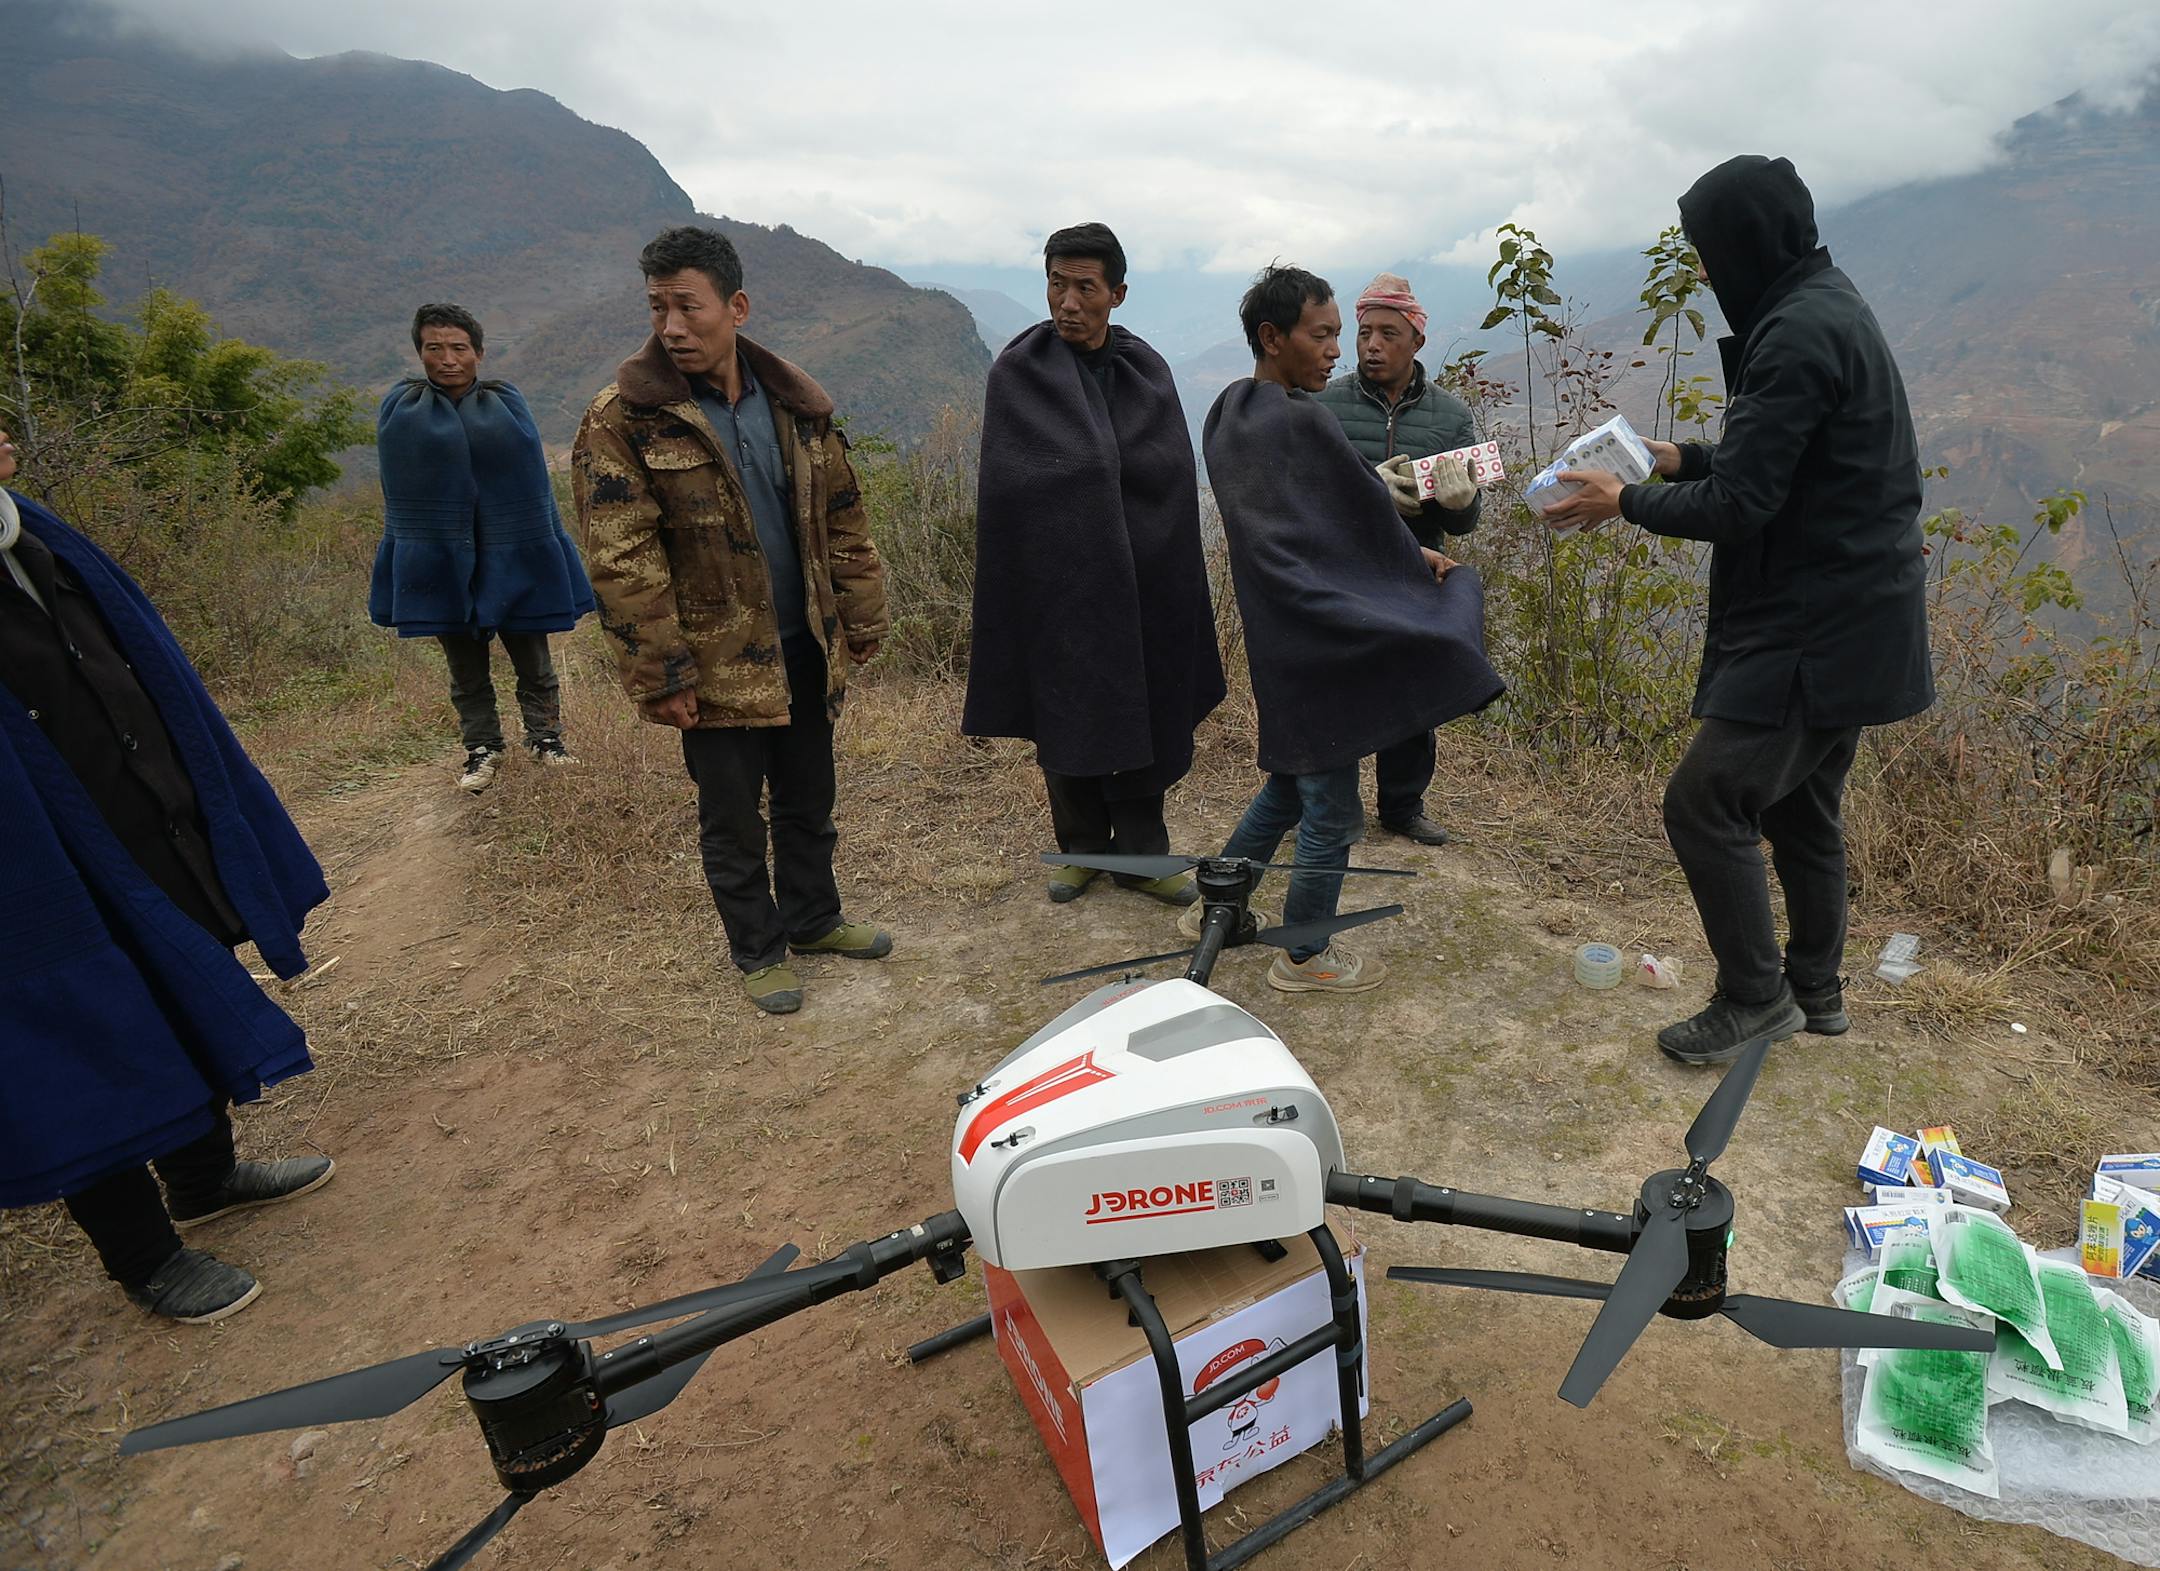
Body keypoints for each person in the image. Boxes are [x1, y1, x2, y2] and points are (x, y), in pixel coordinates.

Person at [1545, 155, 1932, 1065]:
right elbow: (1771, 457)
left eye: (1710, 251)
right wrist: (1672, 455)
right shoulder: (1821, 305)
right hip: (1855, 614)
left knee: (1704, 800)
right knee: (1801, 810)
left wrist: (1623, 500)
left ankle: (1755, 997)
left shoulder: (1797, 331)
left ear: (1747, 240)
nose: (1708, 272)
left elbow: (1743, 505)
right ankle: (1816, 991)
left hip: (1816, 625)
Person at [0, 426, 335, 1323]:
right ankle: (143, 1256)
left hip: (135, 815)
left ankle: (202, 1175)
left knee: (179, 972)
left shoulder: (33, 534)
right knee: (86, 1030)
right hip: (35, 864)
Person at [572, 227, 893, 1016]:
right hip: (713, 663)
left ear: (736, 307)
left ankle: (815, 919)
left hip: (804, 643)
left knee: (808, 799)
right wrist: (662, 671)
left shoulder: (796, 404)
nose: (672, 326)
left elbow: (842, 517)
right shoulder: (626, 419)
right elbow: (621, 559)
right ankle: (759, 949)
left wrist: (860, 612)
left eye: (688, 306)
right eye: (658, 308)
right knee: (732, 819)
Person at [1199, 267, 1503, 994]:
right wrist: (1420, 562)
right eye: (1325, 333)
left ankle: (1219, 904)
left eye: (1347, 332)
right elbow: (1356, 527)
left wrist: (1401, 531)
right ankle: (1306, 953)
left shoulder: (1228, 413)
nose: (1339, 349)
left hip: (1279, 634)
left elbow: (1321, 527)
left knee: (1289, 781)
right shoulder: (1306, 421)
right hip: (1322, 640)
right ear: (1274, 339)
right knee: (1331, 809)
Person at [963, 221, 1224, 907]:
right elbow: (1012, 484)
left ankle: (1142, 855)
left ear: (1117, 293)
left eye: (1085, 287)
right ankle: (1080, 849)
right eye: (1057, 284)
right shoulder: (1019, 373)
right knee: (1067, 708)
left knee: (1144, 710)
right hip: (1058, 582)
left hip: (1144, 582)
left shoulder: (1147, 372)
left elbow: (1166, 471)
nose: (1068, 302)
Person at [371, 302, 595, 793]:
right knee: (465, 667)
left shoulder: (506, 406)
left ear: (479, 352)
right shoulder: (402, 412)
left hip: (511, 554)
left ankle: (546, 740)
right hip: (444, 557)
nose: (447, 359)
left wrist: (532, 551)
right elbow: (402, 486)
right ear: (419, 353)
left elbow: (529, 484)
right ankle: (482, 749)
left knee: (532, 657)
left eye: (458, 348)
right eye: (435, 348)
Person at [1314, 272, 1484, 848]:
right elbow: (1307, 496)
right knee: (1338, 688)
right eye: (1365, 333)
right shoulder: (1324, 404)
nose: (1372, 345)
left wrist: (1461, 503)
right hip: (1341, 566)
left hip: (1419, 568)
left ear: (1416, 341)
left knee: (1411, 692)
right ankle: (1330, 807)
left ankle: (1403, 807)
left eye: (1388, 333)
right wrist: (1364, 493)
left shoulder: (1450, 416)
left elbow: (1465, 518)